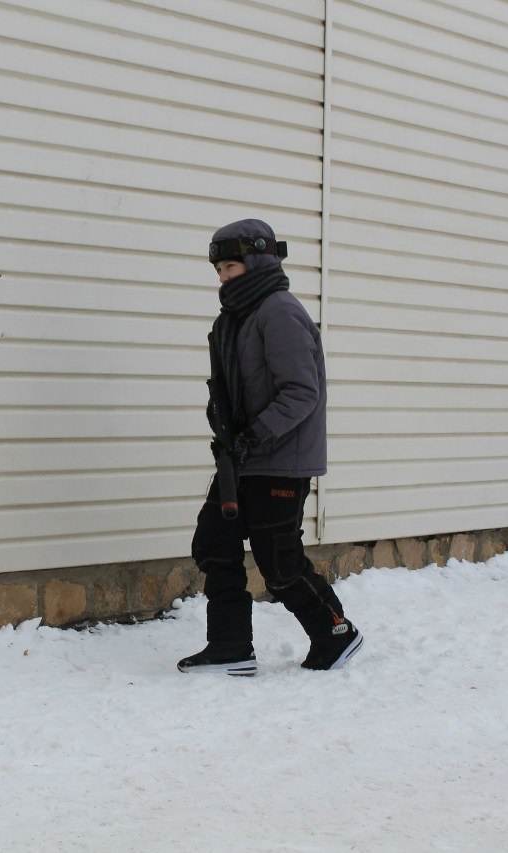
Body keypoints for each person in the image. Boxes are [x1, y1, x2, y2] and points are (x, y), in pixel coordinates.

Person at [178, 218, 361, 676]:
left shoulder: (278, 311)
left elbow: (301, 392)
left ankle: (335, 632)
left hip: (279, 459)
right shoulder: (236, 318)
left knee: (279, 563)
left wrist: (254, 434)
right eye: (219, 269)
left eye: (231, 266)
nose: (223, 277)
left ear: (258, 261)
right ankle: (230, 647)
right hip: (243, 457)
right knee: (214, 543)